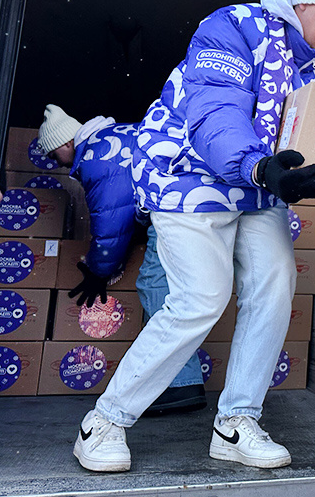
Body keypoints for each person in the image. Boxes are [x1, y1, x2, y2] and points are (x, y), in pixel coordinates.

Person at [72, 0, 315, 473]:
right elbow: (213, 110)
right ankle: (105, 422)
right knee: (200, 299)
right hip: (190, 175)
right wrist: (259, 166)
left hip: (260, 189)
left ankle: (236, 424)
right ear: (304, 1)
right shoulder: (234, 27)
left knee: (275, 287)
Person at [38, 104, 206, 415]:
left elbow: (111, 224)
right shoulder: (111, 137)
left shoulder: (95, 158)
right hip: (188, 198)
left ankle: (183, 385)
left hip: (177, 204)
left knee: (157, 286)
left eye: (52, 155)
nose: (54, 163)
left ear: (65, 143)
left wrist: (98, 270)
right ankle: (175, 382)